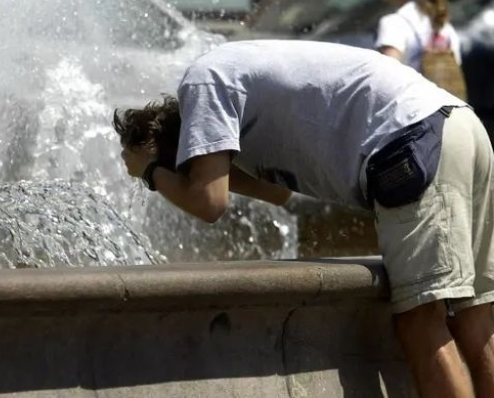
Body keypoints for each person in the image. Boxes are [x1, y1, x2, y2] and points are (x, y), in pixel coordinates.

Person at [114, 39, 494, 397]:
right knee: (474, 317)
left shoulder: (201, 83)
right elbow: (277, 193)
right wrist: (192, 170)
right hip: (458, 125)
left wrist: (151, 172)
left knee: (420, 321)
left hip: (410, 142)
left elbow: (209, 203)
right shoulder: (236, 89)